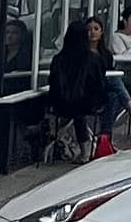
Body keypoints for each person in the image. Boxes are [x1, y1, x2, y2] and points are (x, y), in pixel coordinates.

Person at [45, 13, 115, 160]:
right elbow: (98, 83)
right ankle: (93, 144)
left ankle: (59, 133)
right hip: (87, 104)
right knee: (108, 98)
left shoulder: (58, 59)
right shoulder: (92, 59)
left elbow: (52, 82)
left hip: (60, 105)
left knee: (75, 112)